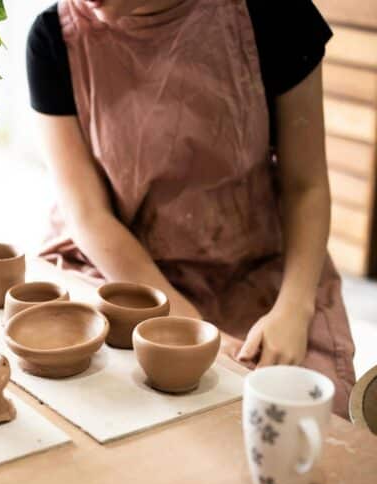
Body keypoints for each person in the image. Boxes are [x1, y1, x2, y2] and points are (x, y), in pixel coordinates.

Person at [26, 0, 355, 416]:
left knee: (298, 420)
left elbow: (305, 185)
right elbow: (88, 215)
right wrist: (187, 323)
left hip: (258, 273)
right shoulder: (54, 38)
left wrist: (294, 306)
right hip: (122, 268)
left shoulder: (273, 12)